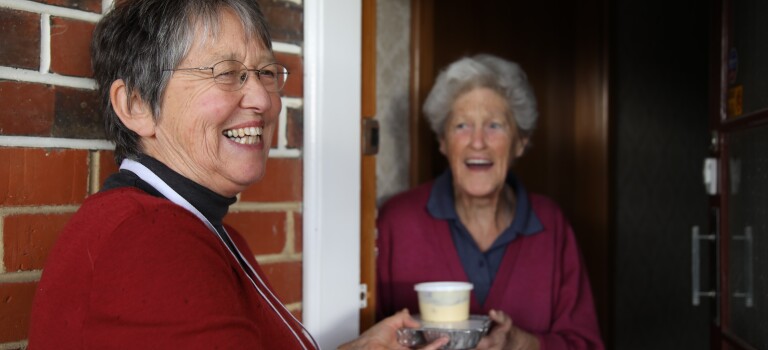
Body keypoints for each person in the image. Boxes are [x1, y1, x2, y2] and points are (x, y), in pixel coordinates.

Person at [28, 0, 447, 349]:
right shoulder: (150, 240)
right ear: (136, 105)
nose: (263, 99)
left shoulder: (193, 226)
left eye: (267, 73)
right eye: (227, 73)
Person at [376, 54, 605, 350]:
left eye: (495, 125)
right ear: (443, 141)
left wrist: (525, 345)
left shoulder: (551, 224)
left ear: (520, 142)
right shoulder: (397, 221)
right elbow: (370, 337)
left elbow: (586, 344)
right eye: (461, 125)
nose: (478, 142)